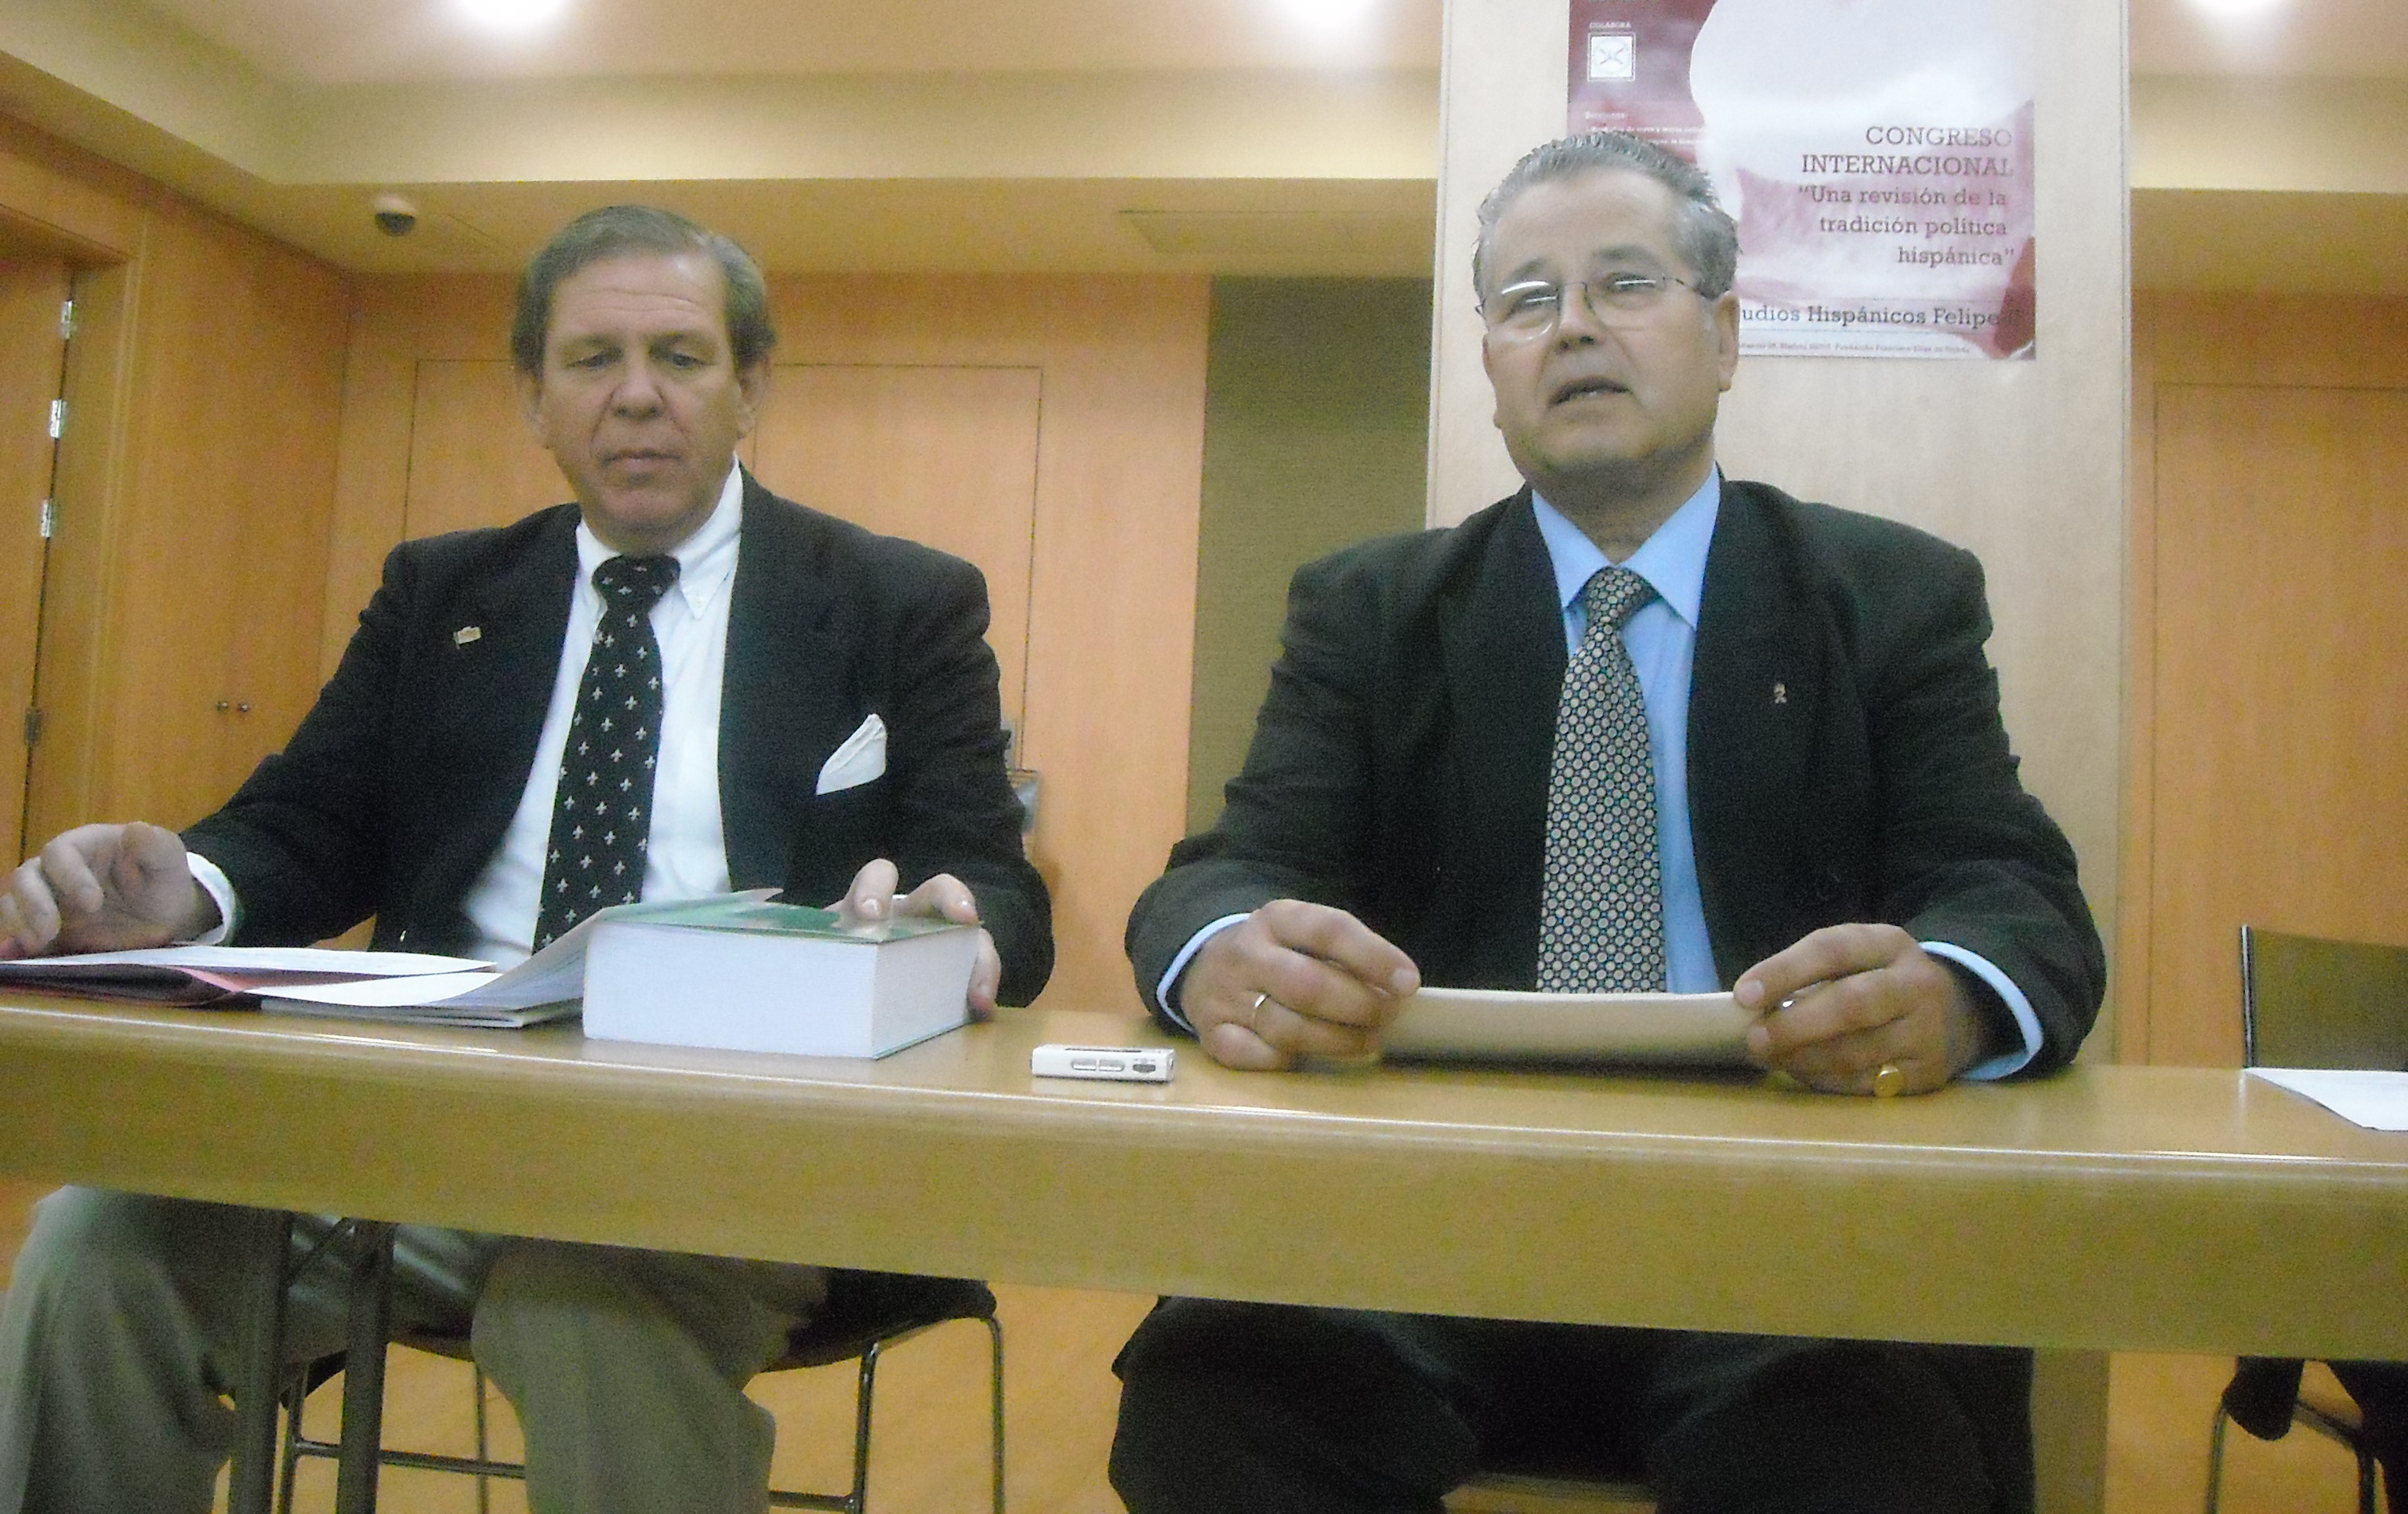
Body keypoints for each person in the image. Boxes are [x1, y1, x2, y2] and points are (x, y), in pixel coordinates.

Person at [1110, 132, 2105, 1514]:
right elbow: (1233, 871)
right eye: (1527, 300)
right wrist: (1223, 951)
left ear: (1726, 335)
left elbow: (2011, 891)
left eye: (1625, 284)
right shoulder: (1372, 610)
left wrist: (1950, 994)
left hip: (1790, 1230)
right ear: (1492, 365)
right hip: (1429, 1225)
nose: (1572, 326)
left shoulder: (1889, 596)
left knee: (1856, 1446)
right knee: (1217, 1403)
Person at [0, 204, 1050, 1514]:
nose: (636, 397)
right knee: (99, 1246)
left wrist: (961, 920)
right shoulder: (443, 594)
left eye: (680, 358)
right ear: (533, 399)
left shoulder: (899, 599)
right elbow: (308, 826)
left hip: (740, 1156)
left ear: (749, 390)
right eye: (592, 360)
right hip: (428, 1136)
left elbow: (992, 881)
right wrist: (192, 891)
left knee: (581, 1307)